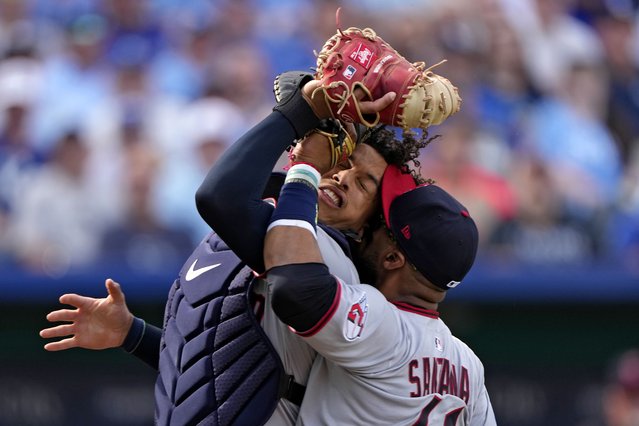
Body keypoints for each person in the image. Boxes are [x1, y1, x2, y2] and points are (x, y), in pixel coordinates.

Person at [40, 73, 430, 424]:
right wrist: (134, 334)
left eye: (364, 184)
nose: (344, 178)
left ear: (369, 224)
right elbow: (214, 371)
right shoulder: (275, 228)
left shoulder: (321, 257)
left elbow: (219, 197)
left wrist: (299, 115)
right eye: (343, 162)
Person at [263, 150, 497, 423]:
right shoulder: (468, 365)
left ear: (392, 258)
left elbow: (296, 290)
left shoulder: (385, 325)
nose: (365, 228)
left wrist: (306, 168)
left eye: (379, 226)